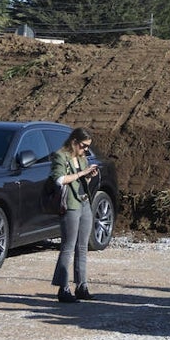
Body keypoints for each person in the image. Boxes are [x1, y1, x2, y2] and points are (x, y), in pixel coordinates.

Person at [49, 127, 100, 303]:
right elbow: (59, 180)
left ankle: (82, 286)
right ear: (74, 142)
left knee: (82, 246)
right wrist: (81, 173)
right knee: (68, 246)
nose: (86, 150)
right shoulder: (60, 156)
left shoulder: (82, 158)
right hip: (70, 205)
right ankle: (63, 288)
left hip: (84, 202)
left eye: (88, 147)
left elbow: (80, 181)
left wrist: (89, 177)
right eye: (84, 146)